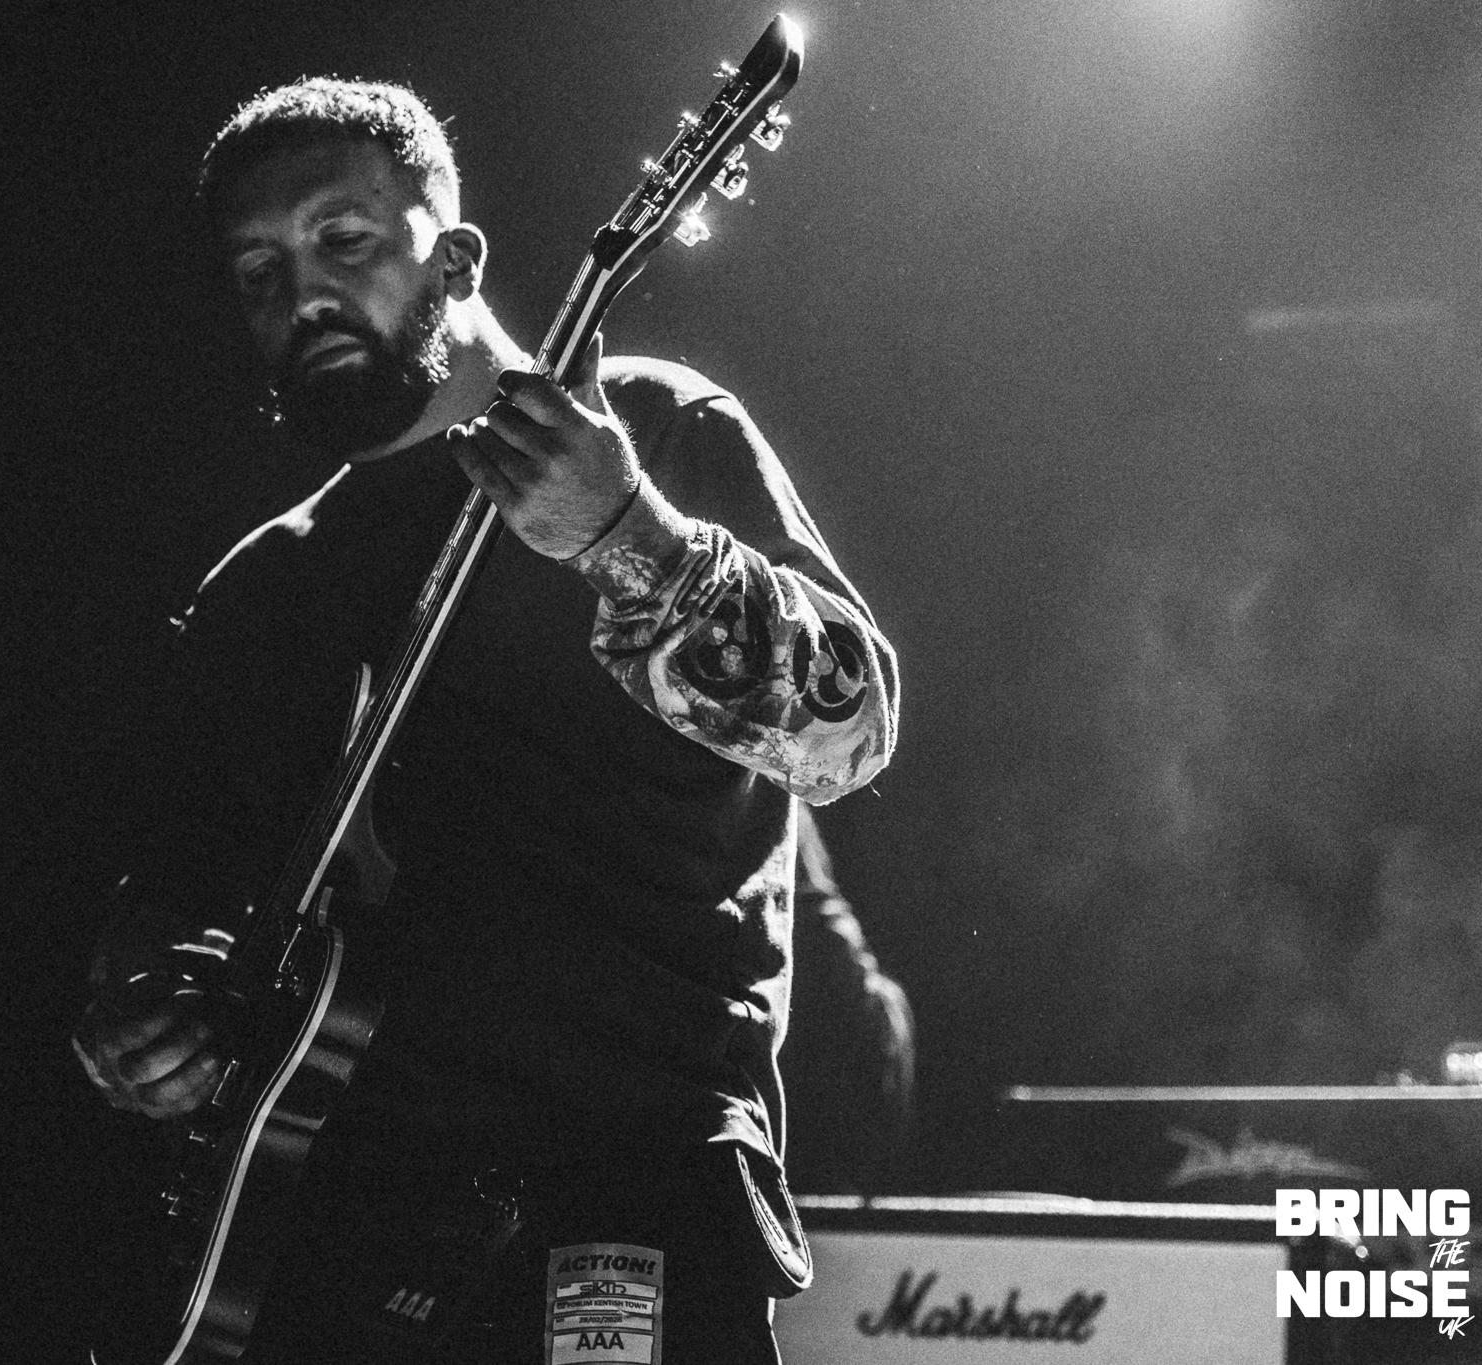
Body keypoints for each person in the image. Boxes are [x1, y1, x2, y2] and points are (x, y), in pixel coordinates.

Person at [73, 78, 900, 1363]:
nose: (303, 294)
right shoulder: (262, 589)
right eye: (259, 271)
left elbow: (850, 733)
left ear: (453, 257)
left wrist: (627, 538)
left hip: (624, 1194)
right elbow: (181, 887)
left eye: (344, 241)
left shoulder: (650, 428)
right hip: (331, 1226)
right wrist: (143, 1017)